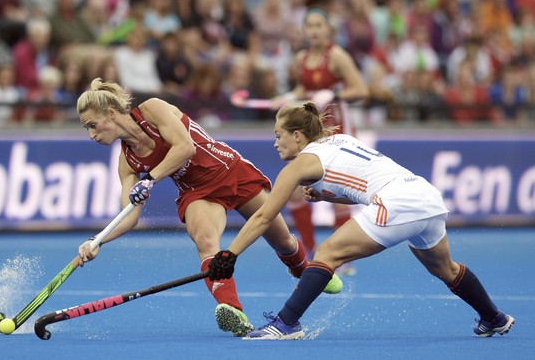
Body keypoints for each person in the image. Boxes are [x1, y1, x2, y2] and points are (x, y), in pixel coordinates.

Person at [208, 101, 515, 340]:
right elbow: (359, 186)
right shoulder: (339, 140)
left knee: (327, 254)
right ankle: (494, 318)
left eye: (278, 136)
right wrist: (327, 196)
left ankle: (286, 323)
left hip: (398, 202)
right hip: (425, 196)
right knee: (445, 269)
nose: (275, 143)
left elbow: (264, 215)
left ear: (298, 136)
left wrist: (230, 253)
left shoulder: (300, 164)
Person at [75, 78, 343, 337]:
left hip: (230, 169)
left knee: (282, 241)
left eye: (92, 125)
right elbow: (129, 216)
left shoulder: (153, 110)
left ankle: (303, 269)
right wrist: (97, 240)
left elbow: (185, 148)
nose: (91, 135)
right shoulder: (127, 161)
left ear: (111, 114)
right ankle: (232, 309)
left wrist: (150, 179)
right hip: (197, 192)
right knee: (205, 240)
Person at [278, 8, 369, 274]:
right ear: (304, 30)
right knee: (295, 188)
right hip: (308, 133)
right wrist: (286, 97)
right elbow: (301, 91)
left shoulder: (337, 57)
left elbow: (361, 90)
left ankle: (341, 257)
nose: (315, 30)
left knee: (337, 190)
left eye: (319, 25)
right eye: (310, 25)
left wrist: (334, 93)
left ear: (328, 30)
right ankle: (309, 252)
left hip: (337, 131)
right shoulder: (300, 59)